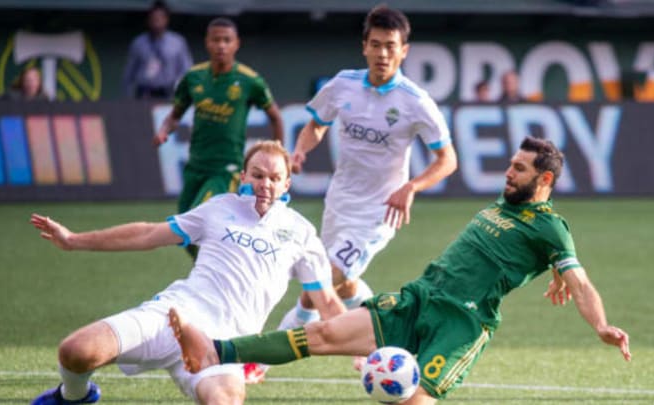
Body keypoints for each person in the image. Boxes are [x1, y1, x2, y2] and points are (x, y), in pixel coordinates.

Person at [168, 136, 632, 405]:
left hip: (461, 324)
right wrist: (550, 269)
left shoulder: (551, 227)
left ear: (544, 180)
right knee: (323, 336)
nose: (508, 173)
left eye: (519, 169)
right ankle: (214, 350)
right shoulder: (507, 203)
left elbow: (581, 281)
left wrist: (602, 325)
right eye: (510, 165)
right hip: (419, 296)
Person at [29, 140, 346, 405]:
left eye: (275, 178)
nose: (266, 184)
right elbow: (148, 234)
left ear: (287, 184)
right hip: (173, 315)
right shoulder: (219, 208)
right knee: (75, 352)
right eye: (258, 175)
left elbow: (328, 305)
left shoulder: (302, 233)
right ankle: (73, 398)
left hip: (223, 347)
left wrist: (369, 352)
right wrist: (73, 240)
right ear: (243, 178)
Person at [278, 5, 457, 336]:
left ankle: (260, 360)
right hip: (340, 201)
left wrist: (411, 188)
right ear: (364, 46)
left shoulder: (416, 101)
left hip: (380, 210)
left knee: (317, 283)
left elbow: (447, 159)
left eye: (391, 46)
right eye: (375, 44)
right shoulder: (342, 85)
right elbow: (316, 126)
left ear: (404, 51)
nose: (383, 54)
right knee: (344, 286)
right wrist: (300, 151)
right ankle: (380, 335)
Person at [153, 16, 284, 260]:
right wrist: (164, 130)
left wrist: (279, 155)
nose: (221, 45)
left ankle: (222, 275)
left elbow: (275, 117)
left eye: (227, 40)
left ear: (236, 44)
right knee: (183, 233)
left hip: (227, 168)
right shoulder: (193, 78)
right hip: (196, 166)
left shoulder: (249, 80)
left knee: (198, 218)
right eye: (216, 40)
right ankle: (214, 271)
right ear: (207, 43)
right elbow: (173, 116)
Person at [122, 0, 193, 99]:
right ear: (148, 19)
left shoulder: (178, 42)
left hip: (169, 94)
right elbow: (129, 74)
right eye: (153, 18)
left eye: (160, 17)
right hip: (144, 94)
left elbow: (186, 70)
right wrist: (128, 98)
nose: (156, 21)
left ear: (166, 19)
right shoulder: (139, 43)